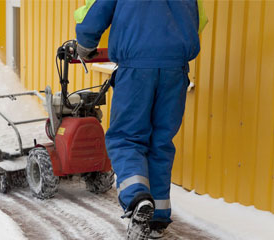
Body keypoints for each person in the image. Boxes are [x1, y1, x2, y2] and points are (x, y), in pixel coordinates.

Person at [74, 0, 207, 239]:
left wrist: (85, 44)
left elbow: (95, 13)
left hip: (136, 68)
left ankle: (137, 197)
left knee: (125, 138)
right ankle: (158, 218)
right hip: (175, 70)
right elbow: (200, 20)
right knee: (161, 142)